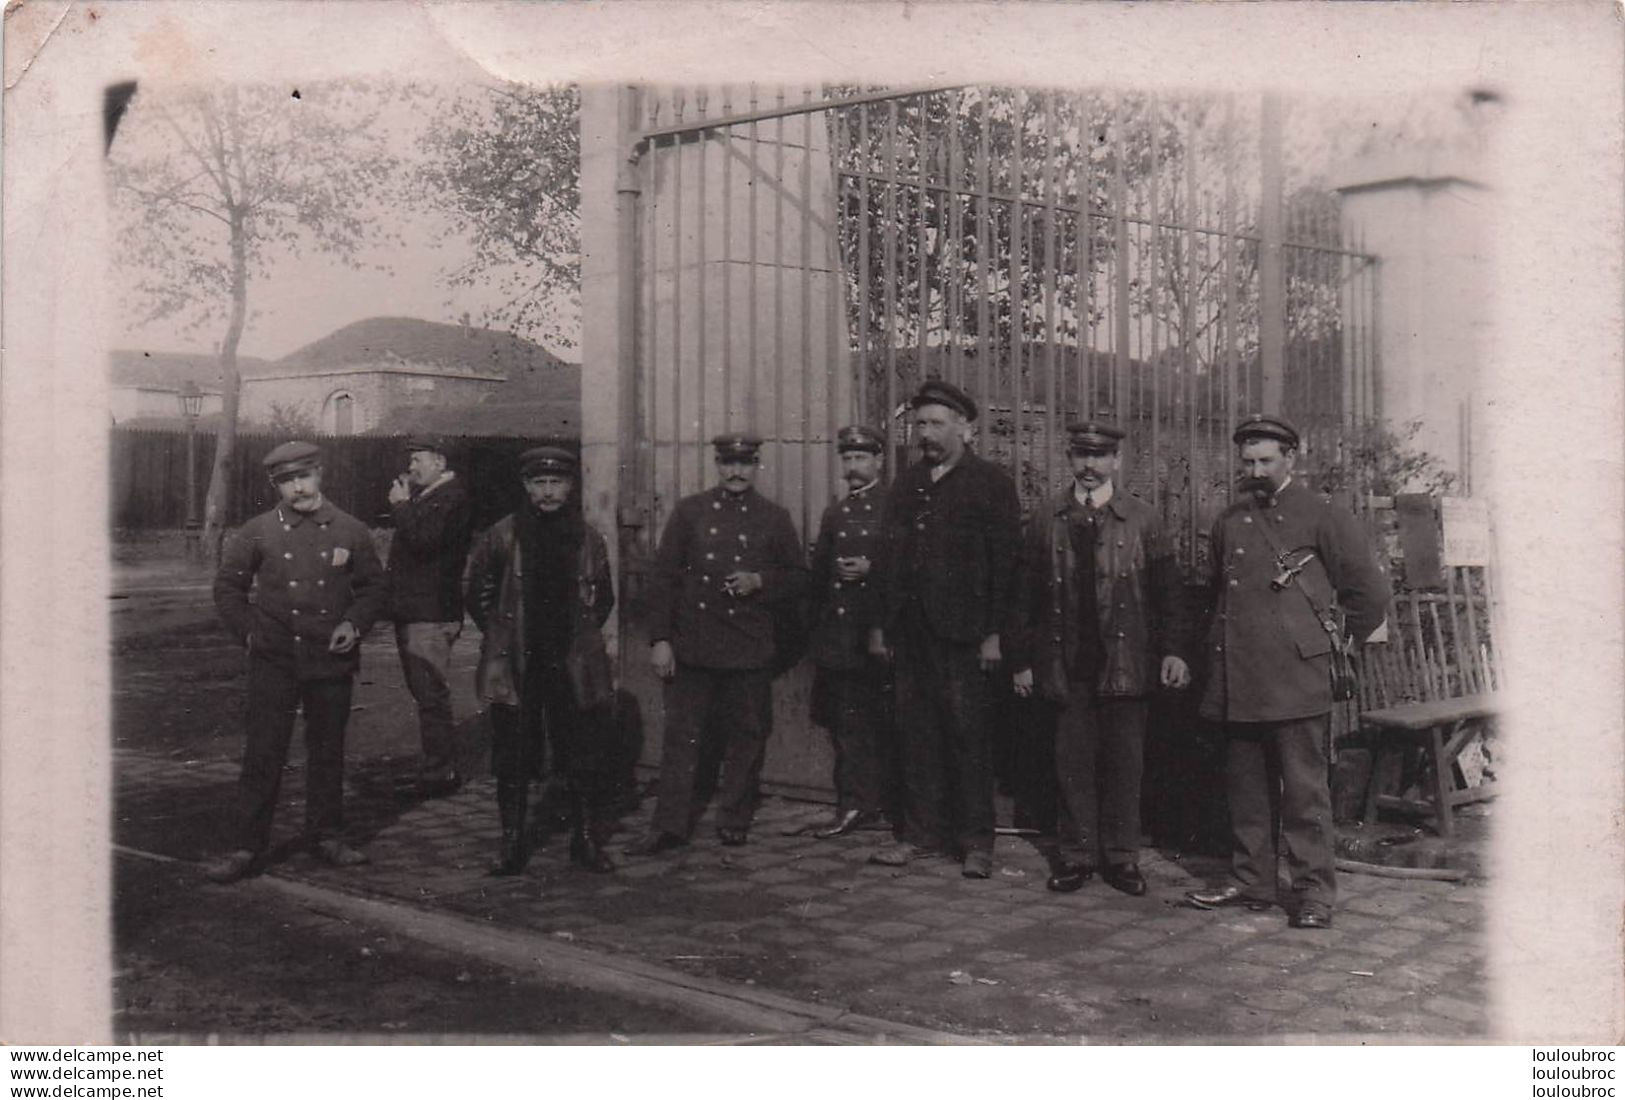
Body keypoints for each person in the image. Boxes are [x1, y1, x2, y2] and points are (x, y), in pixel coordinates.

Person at [1185, 414, 1389, 929]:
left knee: (1305, 793)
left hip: (1298, 678)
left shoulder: (1323, 514)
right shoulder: (1230, 519)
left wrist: (1340, 643)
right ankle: (1251, 879)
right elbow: (1215, 596)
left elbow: (1370, 592)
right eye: (1248, 460)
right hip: (1238, 675)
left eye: (1266, 460)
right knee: (1246, 789)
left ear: (1291, 459)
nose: (1255, 470)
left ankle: (1314, 893)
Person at [1010, 419, 1190, 897]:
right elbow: (1023, 598)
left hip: (1126, 661)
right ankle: (1076, 856)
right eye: (1080, 455)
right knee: (1072, 764)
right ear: (1069, 459)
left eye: (1099, 456)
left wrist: (1173, 650)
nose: (1089, 466)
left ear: (1116, 461)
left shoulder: (1144, 520)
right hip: (1065, 664)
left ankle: (1122, 858)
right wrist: (1023, 660)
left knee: (1124, 765)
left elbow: (1168, 594)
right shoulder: (1047, 518)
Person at [204, 441, 387, 884]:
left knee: (327, 750)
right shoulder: (258, 531)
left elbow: (373, 589)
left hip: (330, 657)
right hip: (275, 659)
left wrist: (354, 624)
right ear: (276, 486)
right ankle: (247, 846)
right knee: (264, 751)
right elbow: (228, 587)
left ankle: (327, 835)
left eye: (304, 477)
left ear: (320, 475)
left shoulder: (350, 530)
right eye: (287, 481)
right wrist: (249, 632)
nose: (298, 488)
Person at [867, 380, 1022, 879]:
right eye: (920, 424)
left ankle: (976, 842)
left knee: (968, 738)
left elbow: (1007, 568)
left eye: (936, 423)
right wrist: (880, 627)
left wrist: (995, 634)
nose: (925, 433)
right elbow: (888, 561)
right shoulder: (908, 484)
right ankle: (921, 836)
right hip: (912, 636)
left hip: (965, 636)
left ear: (965, 428)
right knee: (916, 736)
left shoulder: (991, 484)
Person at [629, 433, 808, 854]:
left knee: (747, 735)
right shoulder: (690, 512)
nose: (736, 472)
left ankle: (734, 818)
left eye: (745, 464)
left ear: (757, 465)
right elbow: (663, 578)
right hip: (695, 646)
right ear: (717, 464)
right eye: (728, 463)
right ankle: (669, 825)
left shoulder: (774, 517)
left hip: (748, 648)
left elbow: (800, 578)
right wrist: (660, 640)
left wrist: (759, 581)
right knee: (682, 738)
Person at [466, 446, 617, 876]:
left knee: (580, 752)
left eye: (557, 483)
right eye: (540, 484)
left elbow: (602, 598)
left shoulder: (588, 538)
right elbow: (478, 594)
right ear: (527, 487)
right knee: (513, 753)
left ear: (570, 487)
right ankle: (512, 843)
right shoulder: (502, 536)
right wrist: (503, 635)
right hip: (518, 663)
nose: (548, 492)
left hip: (570, 664)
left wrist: (577, 641)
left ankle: (584, 840)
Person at [795, 424, 897, 839]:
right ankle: (854, 804)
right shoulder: (835, 512)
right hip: (840, 639)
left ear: (879, 461)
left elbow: (911, 568)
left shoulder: (895, 507)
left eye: (861, 458)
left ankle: (883, 805)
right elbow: (818, 581)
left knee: (883, 725)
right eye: (848, 459)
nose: (853, 467)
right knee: (845, 727)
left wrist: (874, 570)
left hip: (878, 637)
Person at [385, 436, 474, 797]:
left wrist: (402, 507)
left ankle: (440, 772)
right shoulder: (433, 496)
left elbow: (423, 541)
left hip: (431, 612)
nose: (412, 467)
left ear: (440, 461)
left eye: (418, 459)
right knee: (425, 692)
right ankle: (436, 766)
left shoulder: (452, 498)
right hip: (417, 611)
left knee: (430, 693)